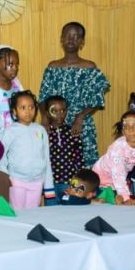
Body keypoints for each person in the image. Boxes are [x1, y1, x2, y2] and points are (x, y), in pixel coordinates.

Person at [39, 22, 110, 166]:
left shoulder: (90, 67)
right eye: (67, 36)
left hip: (81, 125)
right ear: (61, 39)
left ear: (82, 42)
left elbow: (97, 99)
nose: (71, 39)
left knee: (83, 166)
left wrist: (80, 117)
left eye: (76, 37)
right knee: (55, 164)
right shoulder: (52, 67)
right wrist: (45, 118)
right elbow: (43, 97)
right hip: (55, 126)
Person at [0, 91, 55, 209]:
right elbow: (0, 155)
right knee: (18, 213)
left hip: (37, 182)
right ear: (14, 111)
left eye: (31, 107)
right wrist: (6, 177)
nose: (28, 111)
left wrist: (48, 186)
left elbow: (46, 158)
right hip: (16, 181)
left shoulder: (40, 130)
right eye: (23, 108)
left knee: (33, 213)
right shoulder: (10, 131)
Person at [91, 110, 135, 205]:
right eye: (126, 126)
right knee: (109, 203)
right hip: (99, 179)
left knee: (121, 202)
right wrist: (125, 197)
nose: (130, 129)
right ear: (123, 131)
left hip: (117, 181)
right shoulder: (118, 147)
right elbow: (118, 174)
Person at [45, 95, 83, 205]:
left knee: (68, 209)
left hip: (69, 182)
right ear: (47, 113)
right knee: (51, 210)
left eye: (62, 111)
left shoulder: (73, 132)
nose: (59, 114)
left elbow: (79, 158)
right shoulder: (43, 133)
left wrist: (79, 180)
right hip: (49, 183)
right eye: (54, 111)